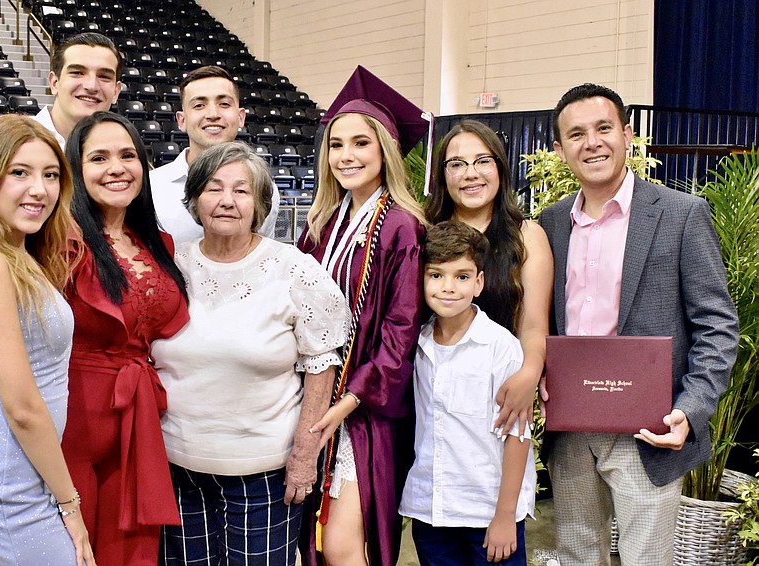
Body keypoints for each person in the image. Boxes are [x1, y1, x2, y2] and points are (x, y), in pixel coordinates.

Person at [0, 32, 122, 566]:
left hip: (21, 462)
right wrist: (70, 504)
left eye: (50, 176)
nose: (39, 189)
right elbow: (22, 405)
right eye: (20, 174)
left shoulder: (17, 252)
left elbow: (2, 332)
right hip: (9, 471)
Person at [538, 83, 740, 565]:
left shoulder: (680, 214)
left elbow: (717, 325)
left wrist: (690, 411)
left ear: (628, 135)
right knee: (578, 555)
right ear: (560, 149)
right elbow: (540, 320)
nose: (592, 143)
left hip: (650, 431)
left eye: (604, 128)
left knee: (647, 558)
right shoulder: (549, 224)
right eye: (577, 134)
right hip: (571, 429)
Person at [153, 141, 347, 565]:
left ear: (259, 204)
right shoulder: (169, 265)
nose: (226, 201)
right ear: (195, 199)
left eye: (241, 190)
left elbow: (321, 363)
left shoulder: (293, 268)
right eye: (214, 188)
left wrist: (304, 455)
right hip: (176, 468)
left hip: (264, 475)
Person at [0, 31, 123, 371]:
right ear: (54, 81)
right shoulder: (1, 140)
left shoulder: (116, 159)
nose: (91, 85)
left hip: (84, 359)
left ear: (116, 92)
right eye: (77, 72)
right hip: (6, 349)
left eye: (104, 76)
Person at [297, 66, 428, 566]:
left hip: (363, 410)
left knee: (346, 546)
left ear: (385, 152)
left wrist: (348, 401)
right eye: (336, 145)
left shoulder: (401, 228)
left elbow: (401, 332)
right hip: (316, 396)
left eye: (360, 144)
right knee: (315, 539)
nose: (346, 156)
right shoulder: (322, 223)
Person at [61, 111, 190, 565]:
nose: (116, 167)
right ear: (76, 170)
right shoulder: (57, 240)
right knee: (70, 552)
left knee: (130, 552)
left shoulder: (161, 243)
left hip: (137, 422)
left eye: (127, 155)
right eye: (98, 157)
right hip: (69, 420)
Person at [400, 220, 535, 565]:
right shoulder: (416, 343)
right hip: (432, 510)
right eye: (436, 275)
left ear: (479, 283)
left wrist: (505, 516)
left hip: (489, 514)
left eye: (461, 277)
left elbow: (517, 435)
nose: (448, 287)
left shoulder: (500, 346)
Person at [425, 120, 553, 436]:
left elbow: (534, 325)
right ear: (442, 174)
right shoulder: (421, 232)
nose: (471, 174)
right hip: (427, 389)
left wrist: (529, 375)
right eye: (457, 164)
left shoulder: (527, 237)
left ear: (500, 168)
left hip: (497, 394)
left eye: (483, 161)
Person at [150, 65, 279, 245]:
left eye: (224, 104)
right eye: (199, 105)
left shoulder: (265, 187)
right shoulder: (151, 187)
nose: (212, 114)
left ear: (241, 117)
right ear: (182, 120)